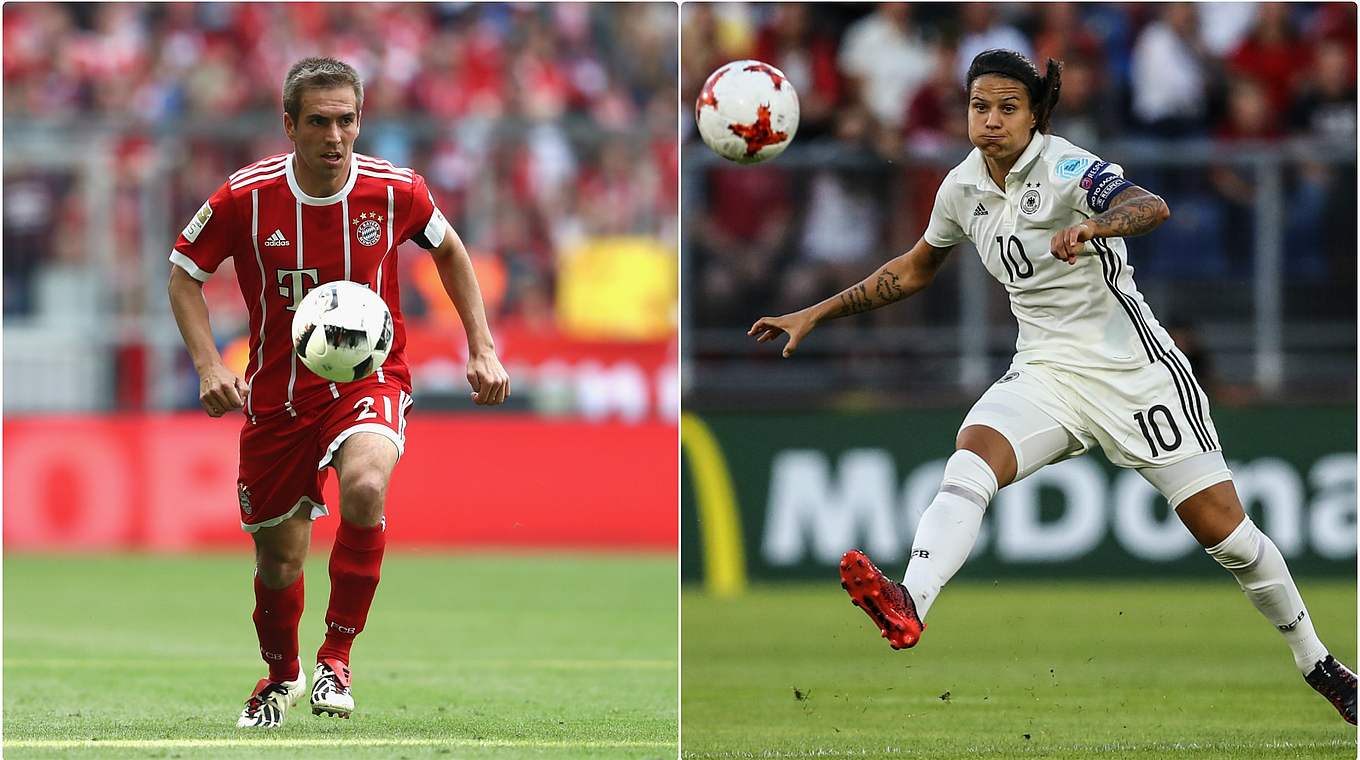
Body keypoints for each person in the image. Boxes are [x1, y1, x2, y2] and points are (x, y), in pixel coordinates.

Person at [747, 49, 1356, 726]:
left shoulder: (1066, 166)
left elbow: (1149, 206)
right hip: (1045, 372)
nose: (992, 120)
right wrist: (817, 312)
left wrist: (1095, 223)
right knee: (972, 452)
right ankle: (910, 601)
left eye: (1009, 107)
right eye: (980, 106)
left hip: (1134, 374)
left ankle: (1320, 664)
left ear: (1035, 113)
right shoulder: (962, 188)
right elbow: (916, 269)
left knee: (1231, 539)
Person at [168, 57, 509, 728]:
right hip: (277, 395)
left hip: (368, 381)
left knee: (365, 486)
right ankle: (281, 676)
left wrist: (482, 343)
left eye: (346, 120)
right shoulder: (245, 197)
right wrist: (210, 367)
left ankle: (336, 658)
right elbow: (184, 275)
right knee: (278, 560)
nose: (335, 136)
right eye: (319, 122)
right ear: (289, 125)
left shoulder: (396, 189)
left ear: (360, 121)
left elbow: (449, 250)